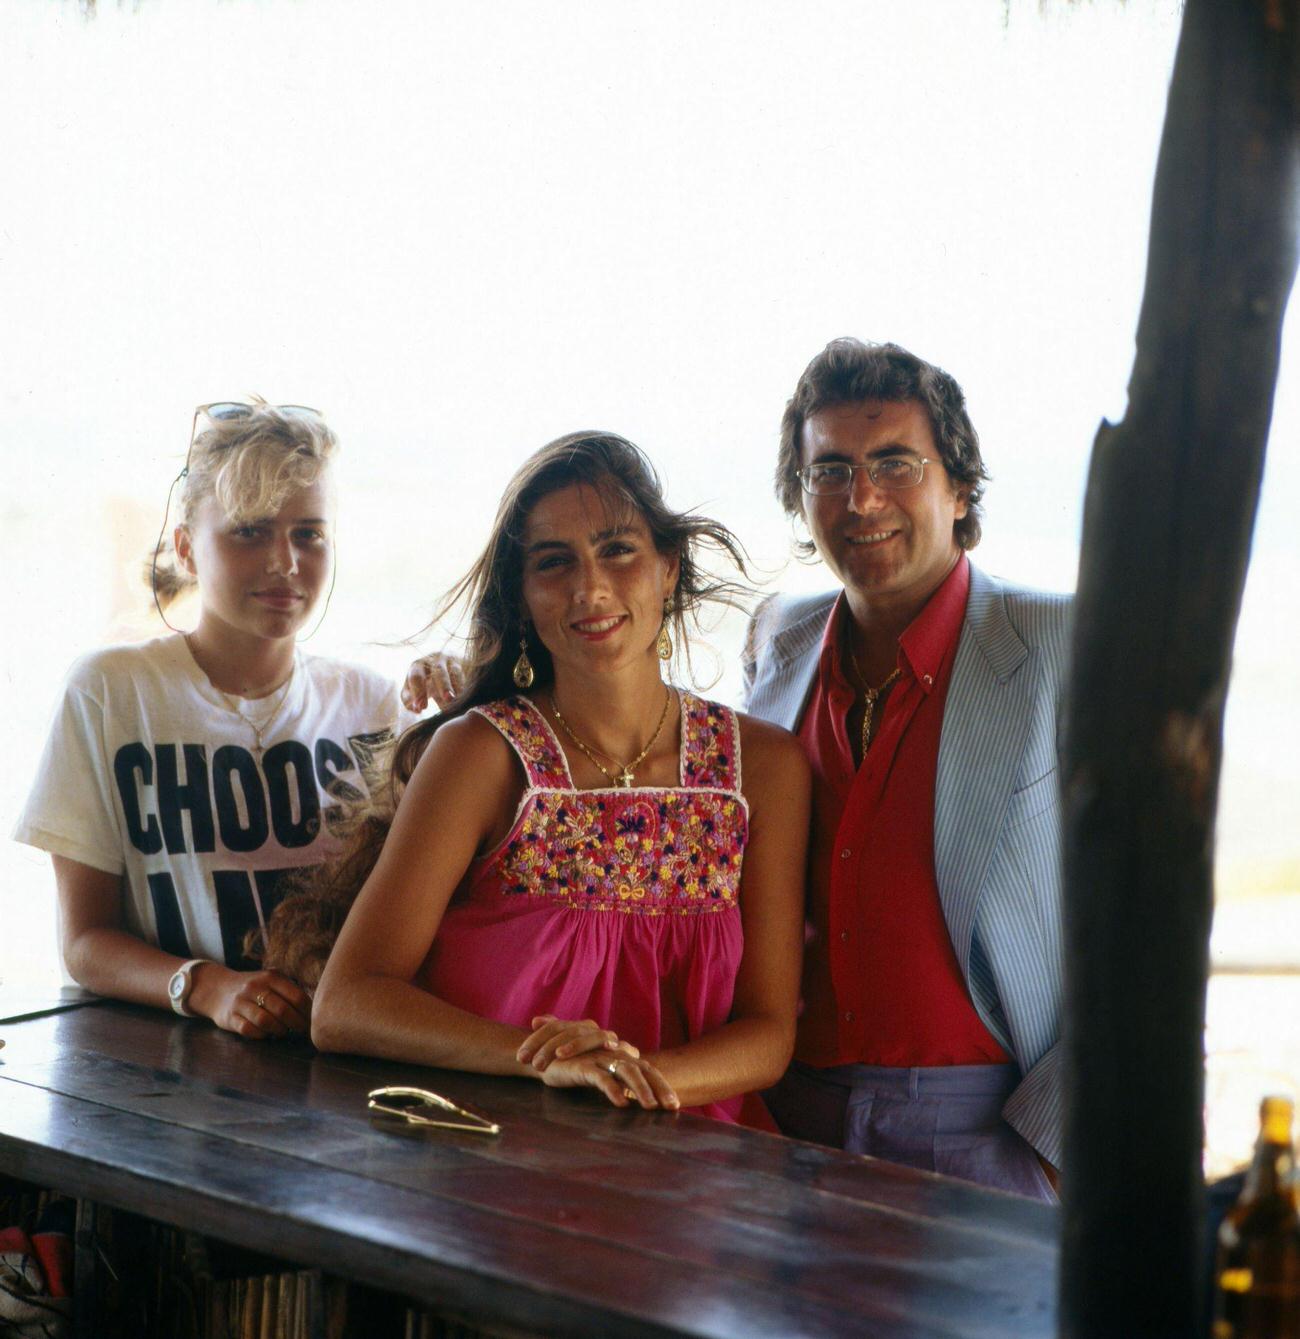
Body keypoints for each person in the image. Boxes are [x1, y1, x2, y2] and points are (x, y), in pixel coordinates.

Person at [296, 431, 809, 1120]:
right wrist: (546, 1063)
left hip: (696, 1162)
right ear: (524, 596)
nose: (588, 587)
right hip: (496, 1151)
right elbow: (346, 1003)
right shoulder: (480, 755)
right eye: (553, 562)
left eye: (617, 550)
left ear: (668, 568)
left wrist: (622, 1078)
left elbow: (769, 1034)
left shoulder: (763, 769)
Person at [745, 338, 1069, 1199]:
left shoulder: (1060, 644)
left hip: (987, 1136)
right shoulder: (777, 639)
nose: (862, 498)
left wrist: (1054, 1154)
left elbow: (1152, 914)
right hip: (786, 1126)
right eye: (830, 470)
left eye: (895, 463)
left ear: (959, 488)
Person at [13, 401, 414, 1039]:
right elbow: (85, 942)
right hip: (162, 1060)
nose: (285, 562)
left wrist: (463, 707)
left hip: (331, 1058)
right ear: (186, 550)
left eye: (308, 533)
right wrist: (206, 987)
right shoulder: (111, 691)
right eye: (250, 531)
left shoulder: (373, 703)